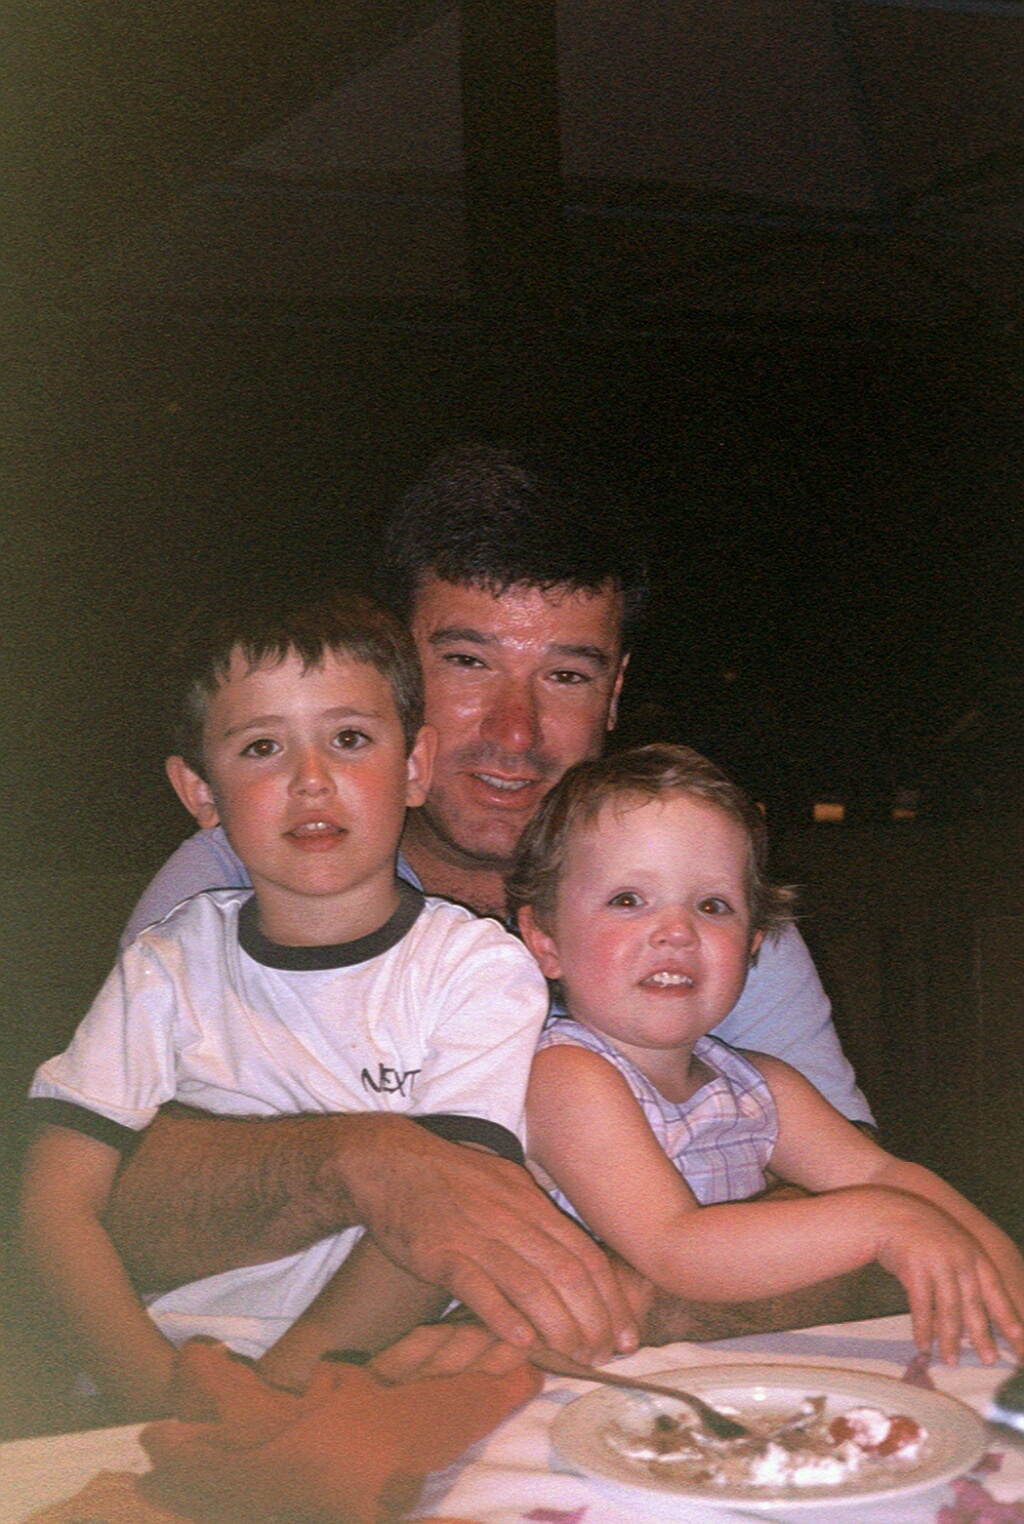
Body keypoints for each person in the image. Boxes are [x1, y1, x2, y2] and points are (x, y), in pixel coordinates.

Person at [103, 444, 891, 1366]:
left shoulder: (700, 906)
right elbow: (113, 1214)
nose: (514, 734)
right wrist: (366, 1164)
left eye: (566, 675)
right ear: (390, 668)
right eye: (468, 661)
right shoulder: (236, 878)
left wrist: (574, 1320)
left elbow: (858, 1232)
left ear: (616, 690)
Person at [18, 588, 553, 1415]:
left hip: (363, 1388)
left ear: (415, 765)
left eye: (348, 739)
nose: (311, 780)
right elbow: (54, 1203)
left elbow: (441, 1227)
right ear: (200, 793)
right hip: (161, 1387)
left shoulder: (477, 971)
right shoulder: (166, 965)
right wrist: (158, 1394)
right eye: (263, 746)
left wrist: (273, 1397)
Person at [511, 744, 1024, 1366]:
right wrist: (887, 1224)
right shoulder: (565, 1074)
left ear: (754, 945)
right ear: (544, 939)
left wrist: (1007, 1287)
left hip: (734, 1370)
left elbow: (885, 1177)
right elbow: (675, 1248)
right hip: (596, 1380)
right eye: (627, 899)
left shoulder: (761, 1084)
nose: (677, 930)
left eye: (712, 906)